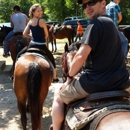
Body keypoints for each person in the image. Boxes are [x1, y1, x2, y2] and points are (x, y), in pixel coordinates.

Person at [50, 0, 130, 129]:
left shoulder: (95, 23)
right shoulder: (113, 26)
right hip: (121, 82)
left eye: (91, 2)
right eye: (84, 5)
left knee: (58, 96)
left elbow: (81, 55)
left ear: (103, 3)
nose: (87, 8)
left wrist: (69, 79)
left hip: (95, 82)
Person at [16, 4, 59, 83]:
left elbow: (24, 34)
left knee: (19, 55)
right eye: (38, 11)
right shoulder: (41, 21)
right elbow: (46, 35)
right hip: (42, 45)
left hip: (32, 45)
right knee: (52, 60)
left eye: (41, 10)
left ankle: (14, 75)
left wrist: (31, 37)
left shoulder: (30, 21)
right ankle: (55, 77)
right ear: (33, 12)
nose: (40, 12)